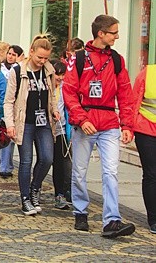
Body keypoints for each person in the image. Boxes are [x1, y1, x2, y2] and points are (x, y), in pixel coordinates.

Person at [63, 14, 135, 238]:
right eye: (113, 32)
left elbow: (125, 93)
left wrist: (127, 124)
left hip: (109, 124)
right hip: (85, 122)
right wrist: (81, 118)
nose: (117, 36)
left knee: (111, 172)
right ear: (101, 33)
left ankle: (112, 220)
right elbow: (69, 92)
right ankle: (80, 211)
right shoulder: (79, 58)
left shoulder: (117, 60)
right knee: (79, 171)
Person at [4, 35, 59, 216]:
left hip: (44, 122)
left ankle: (35, 189)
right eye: (39, 58)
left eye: (46, 58)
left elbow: (52, 95)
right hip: (24, 122)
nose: (42, 61)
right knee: (26, 161)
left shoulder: (49, 70)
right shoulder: (18, 71)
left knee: (47, 158)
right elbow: (9, 100)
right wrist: (10, 124)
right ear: (31, 52)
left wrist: (54, 109)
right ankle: (25, 198)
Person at [132, 63, 156, 234]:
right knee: (151, 174)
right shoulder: (148, 73)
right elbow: (134, 102)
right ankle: (153, 219)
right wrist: (128, 128)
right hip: (146, 129)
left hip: (146, 128)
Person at [0, 44, 23, 179]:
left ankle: (8, 165)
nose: (10, 56)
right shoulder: (0, 69)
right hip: (3, 106)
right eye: (9, 53)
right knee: (5, 135)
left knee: (13, 137)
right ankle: (4, 166)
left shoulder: (19, 70)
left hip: (16, 106)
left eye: (14, 54)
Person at [51, 60, 72, 210]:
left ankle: (60, 193)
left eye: (62, 74)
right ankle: (35, 188)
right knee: (45, 159)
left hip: (61, 129)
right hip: (45, 129)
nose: (59, 77)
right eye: (57, 74)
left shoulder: (65, 88)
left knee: (60, 163)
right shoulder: (45, 86)